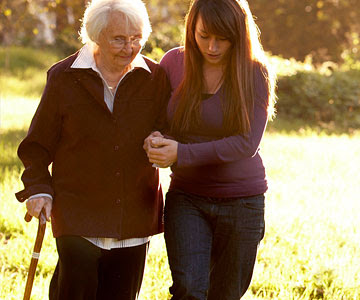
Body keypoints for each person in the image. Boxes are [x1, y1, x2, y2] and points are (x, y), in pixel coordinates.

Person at [15, 0, 170, 299]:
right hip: (77, 212)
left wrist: (161, 140)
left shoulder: (155, 78)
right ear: (96, 36)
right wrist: (38, 189)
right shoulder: (64, 77)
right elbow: (36, 146)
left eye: (136, 37)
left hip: (134, 214)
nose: (130, 47)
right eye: (119, 39)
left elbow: (168, 127)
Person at [144, 0, 277, 299]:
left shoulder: (256, 72)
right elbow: (160, 121)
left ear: (239, 35)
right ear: (192, 27)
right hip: (187, 197)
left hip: (243, 202)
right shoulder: (173, 63)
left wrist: (182, 153)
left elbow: (247, 143)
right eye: (204, 36)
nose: (212, 47)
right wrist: (155, 138)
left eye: (223, 38)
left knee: (226, 294)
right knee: (189, 289)